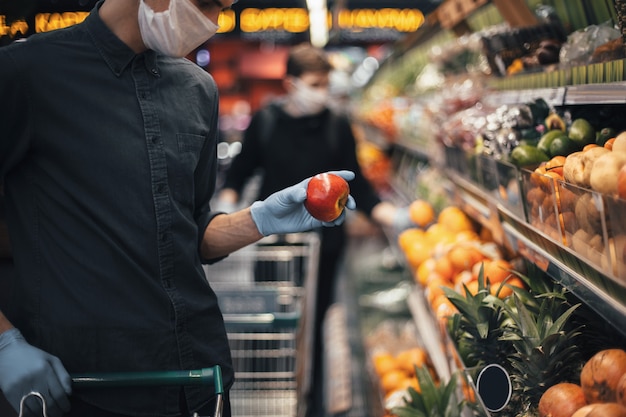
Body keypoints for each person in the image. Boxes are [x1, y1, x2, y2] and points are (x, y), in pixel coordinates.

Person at [0, 1, 357, 416]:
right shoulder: (26, 75)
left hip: (201, 379)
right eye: (207, 4)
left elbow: (190, 231)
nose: (215, 21)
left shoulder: (197, 89)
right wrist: (4, 341)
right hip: (85, 385)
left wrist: (260, 219)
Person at [215, 43, 413, 417]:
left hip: (325, 245)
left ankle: (312, 406)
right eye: (314, 83)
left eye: (325, 83)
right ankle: (274, 397)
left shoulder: (337, 124)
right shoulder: (267, 121)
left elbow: (360, 186)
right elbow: (239, 174)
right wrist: (227, 207)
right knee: (273, 329)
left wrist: (390, 215)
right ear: (291, 83)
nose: (321, 90)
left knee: (316, 324)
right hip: (273, 244)